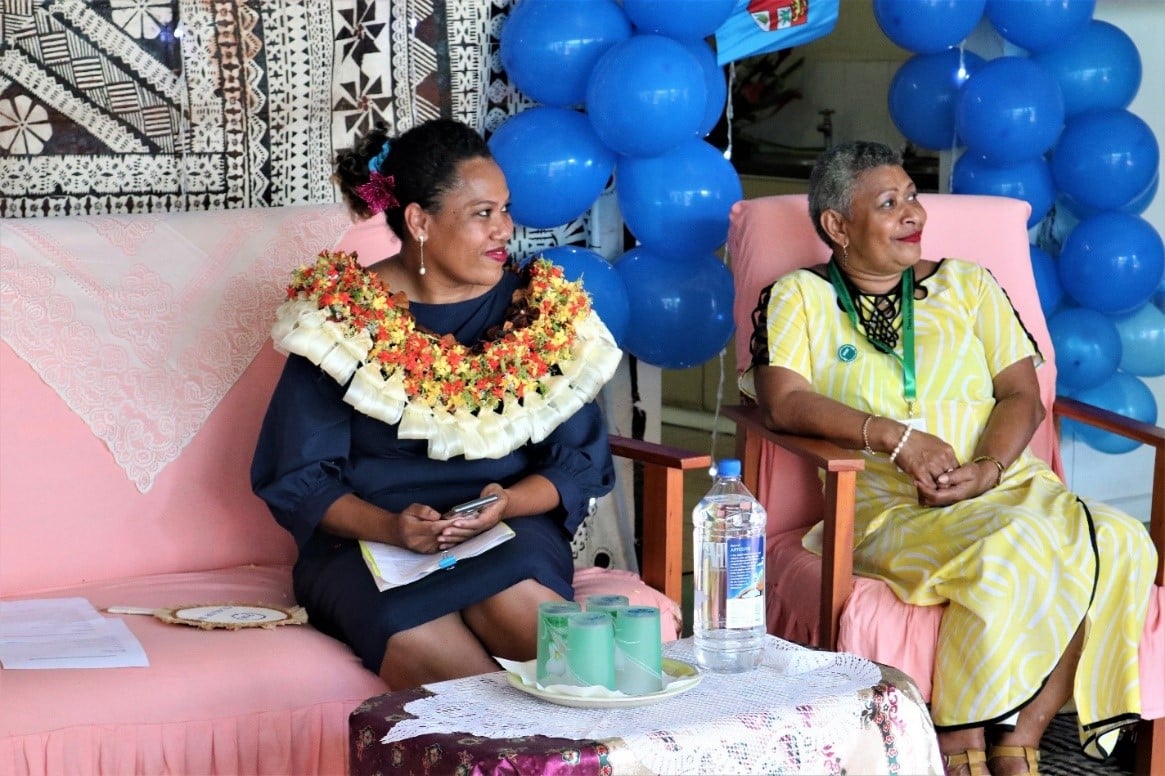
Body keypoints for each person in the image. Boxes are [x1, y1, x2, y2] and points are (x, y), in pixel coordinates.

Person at [740, 141, 1157, 776]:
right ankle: (960, 740)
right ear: (837, 226)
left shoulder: (969, 284)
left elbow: (1022, 394)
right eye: (889, 203)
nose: (913, 213)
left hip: (1004, 485)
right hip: (887, 507)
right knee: (1012, 548)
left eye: (913, 196)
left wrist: (989, 468)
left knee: (1122, 539)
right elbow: (784, 401)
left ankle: (1022, 735)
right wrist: (896, 438)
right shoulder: (799, 296)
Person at [251, 118, 621, 690]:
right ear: (419, 221)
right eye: (482, 213)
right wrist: (393, 528)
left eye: (505, 209)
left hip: (509, 530)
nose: (505, 229)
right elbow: (301, 477)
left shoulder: (540, 312)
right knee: (439, 662)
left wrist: (507, 502)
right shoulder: (341, 319)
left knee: (546, 635)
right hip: (368, 541)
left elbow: (578, 463)